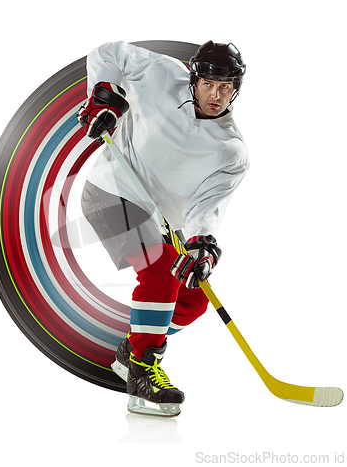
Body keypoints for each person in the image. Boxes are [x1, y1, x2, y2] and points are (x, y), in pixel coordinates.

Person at [78, 40, 249, 416]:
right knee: (159, 274)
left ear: (237, 88)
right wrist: (104, 95)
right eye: (208, 84)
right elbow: (109, 52)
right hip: (111, 190)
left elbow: (206, 209)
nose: (216, 94)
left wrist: (202, 246)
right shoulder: (160, 75)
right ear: (194, 78)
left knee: (192, 298)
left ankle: (133, 349)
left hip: (158, 218)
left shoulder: (230, 150)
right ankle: (141, 372)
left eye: (226, 87)